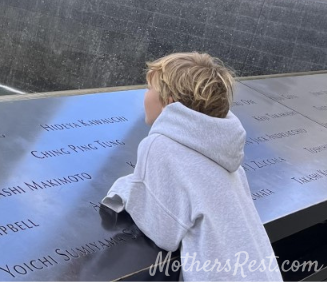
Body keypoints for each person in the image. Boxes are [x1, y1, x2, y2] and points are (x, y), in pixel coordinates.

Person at [101, 52, 283, 281]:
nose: (144, 96)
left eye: (149, 89)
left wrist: (125, 189)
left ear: (168, 101)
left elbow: (164, 232)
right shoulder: (223, 149)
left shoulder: (159, 144)